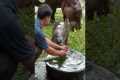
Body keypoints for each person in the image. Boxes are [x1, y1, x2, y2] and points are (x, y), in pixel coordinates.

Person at [0, 0, 36, 79]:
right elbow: (29, 61)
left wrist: (23, 40)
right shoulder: (7, 18)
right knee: (8, 61)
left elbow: (9, 34)